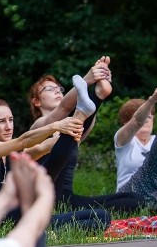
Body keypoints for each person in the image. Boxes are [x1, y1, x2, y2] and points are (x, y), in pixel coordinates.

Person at [0, 90, 110, 232]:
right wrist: (54, 126)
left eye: (10, 120)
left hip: (22, 217)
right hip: (1, 221)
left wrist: (73, 129)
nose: (9, 127)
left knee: (102, 217)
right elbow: (24, 141)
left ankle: (81, 114)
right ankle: (80, 113)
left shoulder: (12, 153)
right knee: (49, 168)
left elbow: (43, 147)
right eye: (1, 121)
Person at [27, 63, 143, 214]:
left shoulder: (75, 126)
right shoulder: (38, 127)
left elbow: (87, 114)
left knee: (134, 199)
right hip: (46, 198)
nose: (57, 91)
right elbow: (64, 108)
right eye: (49, 89)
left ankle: (99, 95)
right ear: (37, 101)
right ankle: (98, 95)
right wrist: (87, 79)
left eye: (59, 89)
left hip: (67, 201)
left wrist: (99, 88)